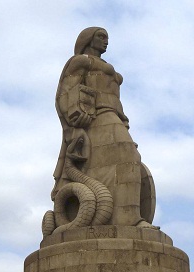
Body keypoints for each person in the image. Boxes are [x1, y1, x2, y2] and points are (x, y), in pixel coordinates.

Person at [48, 27, 156, 233]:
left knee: (131, 159)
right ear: (88, 39)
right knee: (128, 157)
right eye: (101, 36)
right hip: (95, 118)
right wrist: (75, 127)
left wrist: (123, 120)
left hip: (114, 117)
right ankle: (130, 220)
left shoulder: (106, 66)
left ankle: (126, 218)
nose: (106, 41)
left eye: (107, 37)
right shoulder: (80, 61)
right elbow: (65, 94)